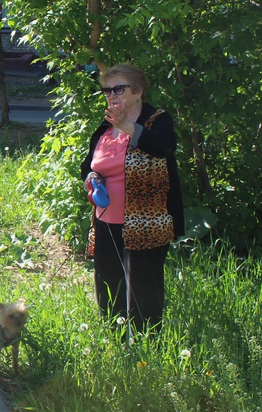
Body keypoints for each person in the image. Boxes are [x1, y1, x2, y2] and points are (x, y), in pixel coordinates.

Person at [79, 63, 184, 333]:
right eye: (107, 90)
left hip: (146, 222)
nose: (111, 95)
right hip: (106, 221)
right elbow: (89, 165)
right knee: (108, 284)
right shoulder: (105, 127)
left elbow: (163, 147)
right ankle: (114, 338)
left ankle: (145, 343)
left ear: (138, 91)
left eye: (119, 89)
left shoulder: (157, 120)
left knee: (143, 290)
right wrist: (91, 179)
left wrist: (128, 127)